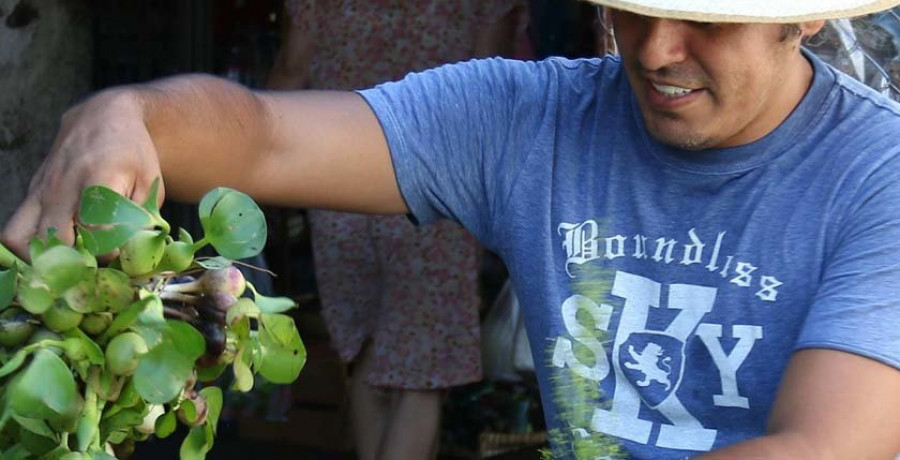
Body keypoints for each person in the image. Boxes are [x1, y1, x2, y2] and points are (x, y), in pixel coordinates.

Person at [5, 0, 900, 457]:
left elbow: (823, 446)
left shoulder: (878, 177)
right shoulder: (529, 117)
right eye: (629, 8)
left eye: (703, 20)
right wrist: (129, 116)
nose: (655, 49)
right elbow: (267, 135)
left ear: (806, 18)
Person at [265, 1, 522, 459]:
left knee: (368, 351)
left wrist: (257, 167)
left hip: (334, 183)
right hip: (435, 186)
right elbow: (491, 81)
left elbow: (290, 68)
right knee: (420, 374)